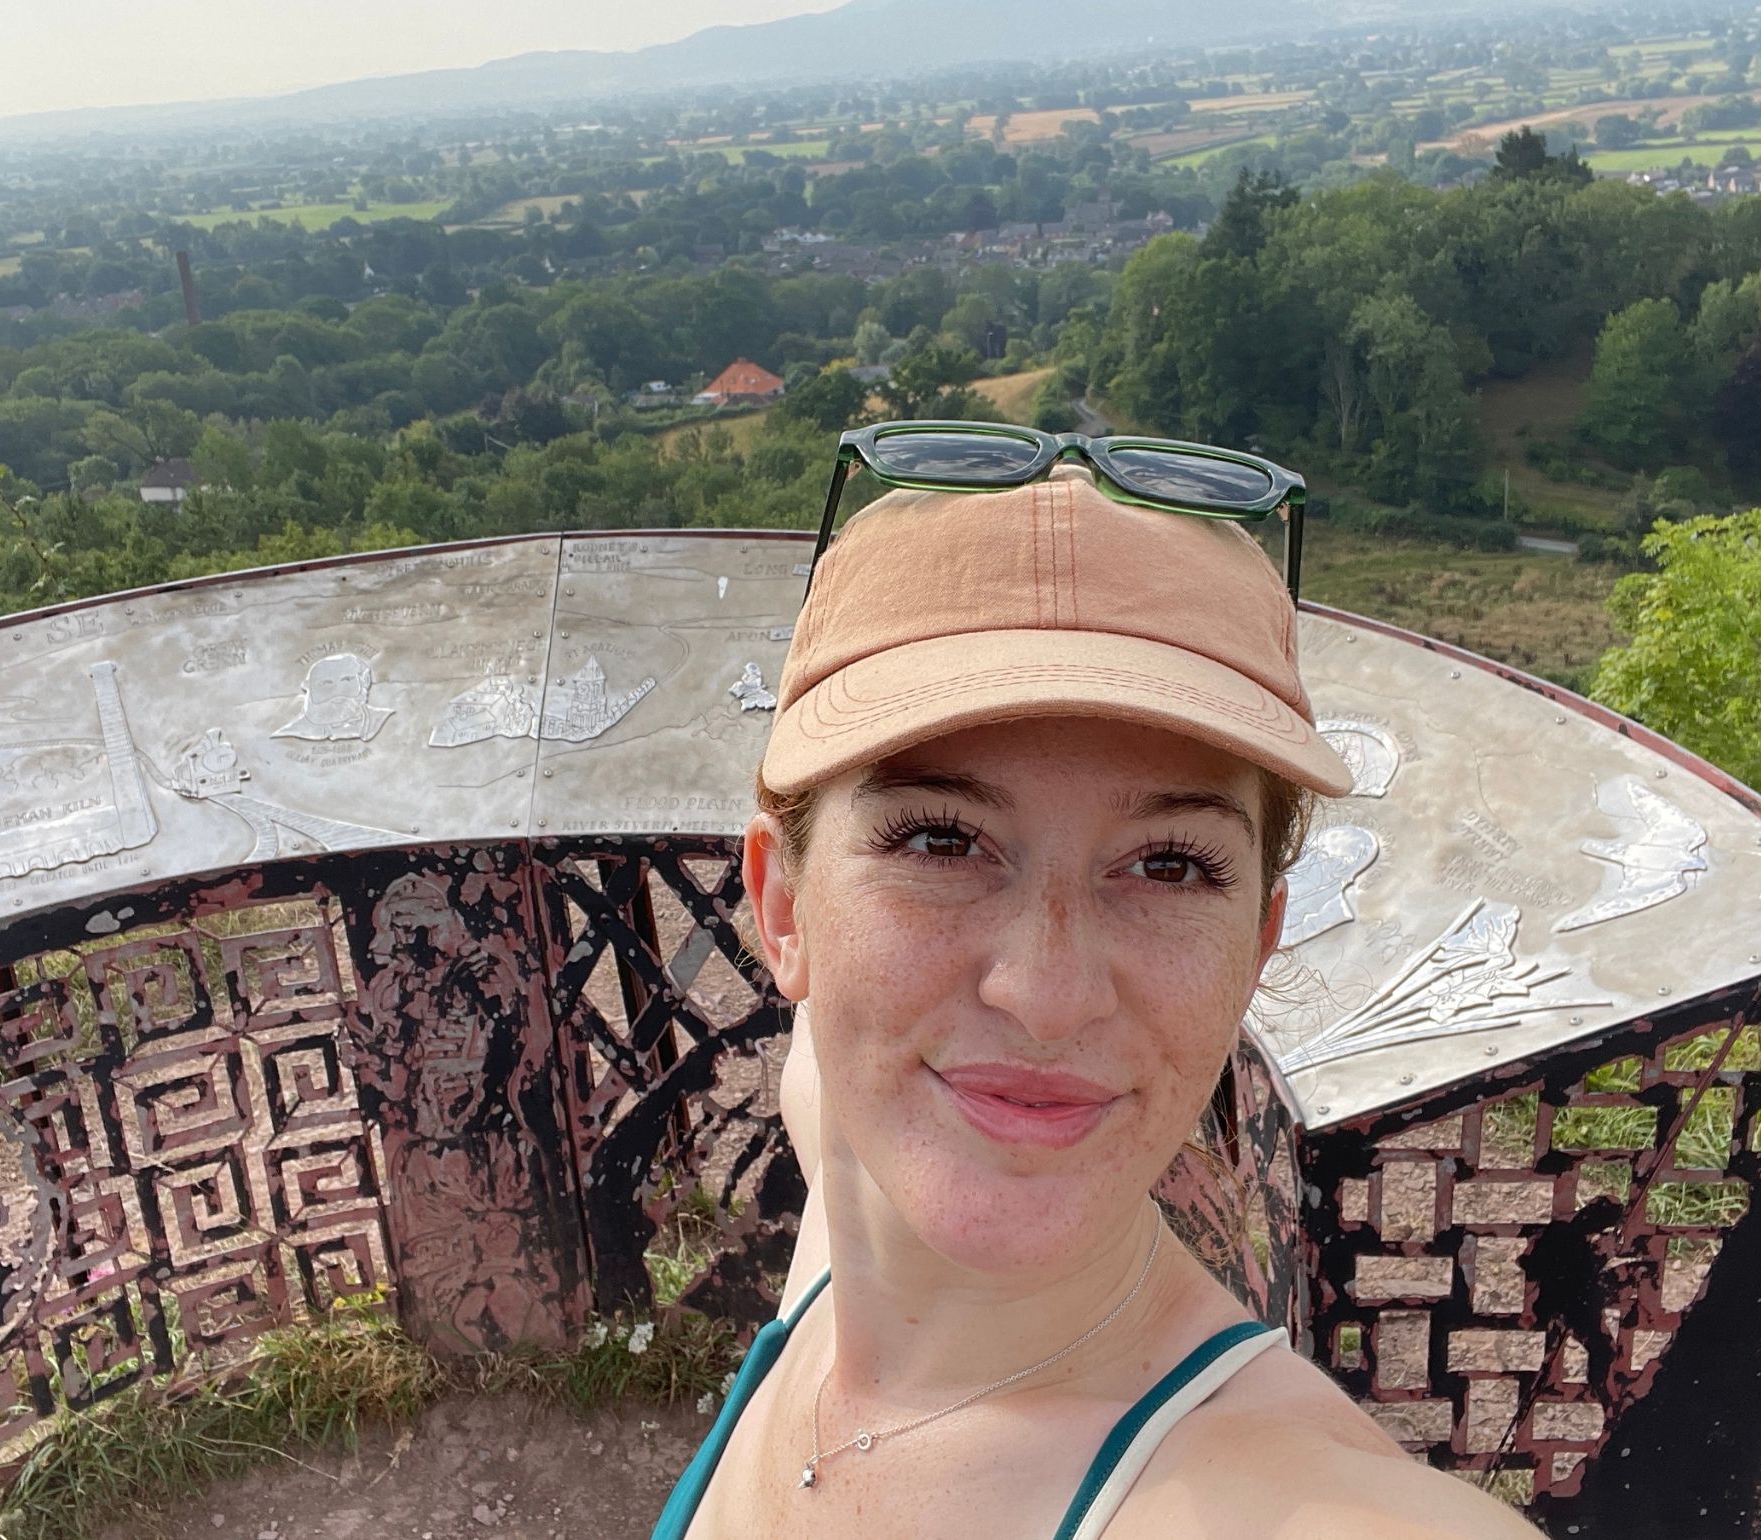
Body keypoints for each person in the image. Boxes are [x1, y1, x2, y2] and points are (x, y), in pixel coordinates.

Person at [656, 467, 1540, 1538]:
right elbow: (822, 1071)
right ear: (785, 909)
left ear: (1254, 945)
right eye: (940, 841)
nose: (1045, 996)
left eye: (1167, 866)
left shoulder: (1296, 1507)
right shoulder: (846, 1219)